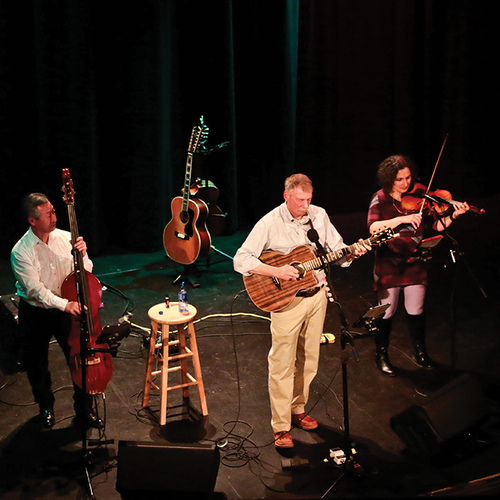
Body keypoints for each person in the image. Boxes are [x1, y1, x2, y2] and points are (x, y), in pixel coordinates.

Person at [234, 174, 370, 449]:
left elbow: (338, 252)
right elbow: (241, 259)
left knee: (309, 358)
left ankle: (298, 409)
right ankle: (281, 427)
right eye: (299, 200)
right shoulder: (270, 222)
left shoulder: (319, 216)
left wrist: (353, 252)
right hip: (286, 301)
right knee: (282, 363)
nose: (305, 206)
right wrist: (277, 271)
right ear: (286, 196)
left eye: (308, 200)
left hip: (317, 295)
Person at [367, 155, 469, 376]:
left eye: (408, 177)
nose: (406, 184)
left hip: (415, 261)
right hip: (389, 262)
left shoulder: (421, 198)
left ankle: (420, 353)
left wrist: (454, 216)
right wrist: (401, 220)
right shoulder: (380, 198)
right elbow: (373, 228)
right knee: (387, 312)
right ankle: (381, 355)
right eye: (399, 179)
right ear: (388, 180)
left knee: (416, 310)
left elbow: (438, 226)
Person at [11, 193, 103, 429]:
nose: (55, 216)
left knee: (79, 360)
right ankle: (45, 407)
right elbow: (36, 291)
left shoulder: (66, 238)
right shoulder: (20, 251)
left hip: (65, 308)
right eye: (48, 213)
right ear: (33, 220)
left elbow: (86, 272)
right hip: (36, 312)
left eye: (53, 210)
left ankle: (83, 411)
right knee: (37, 363)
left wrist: (82, 255)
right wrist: (66, 305)